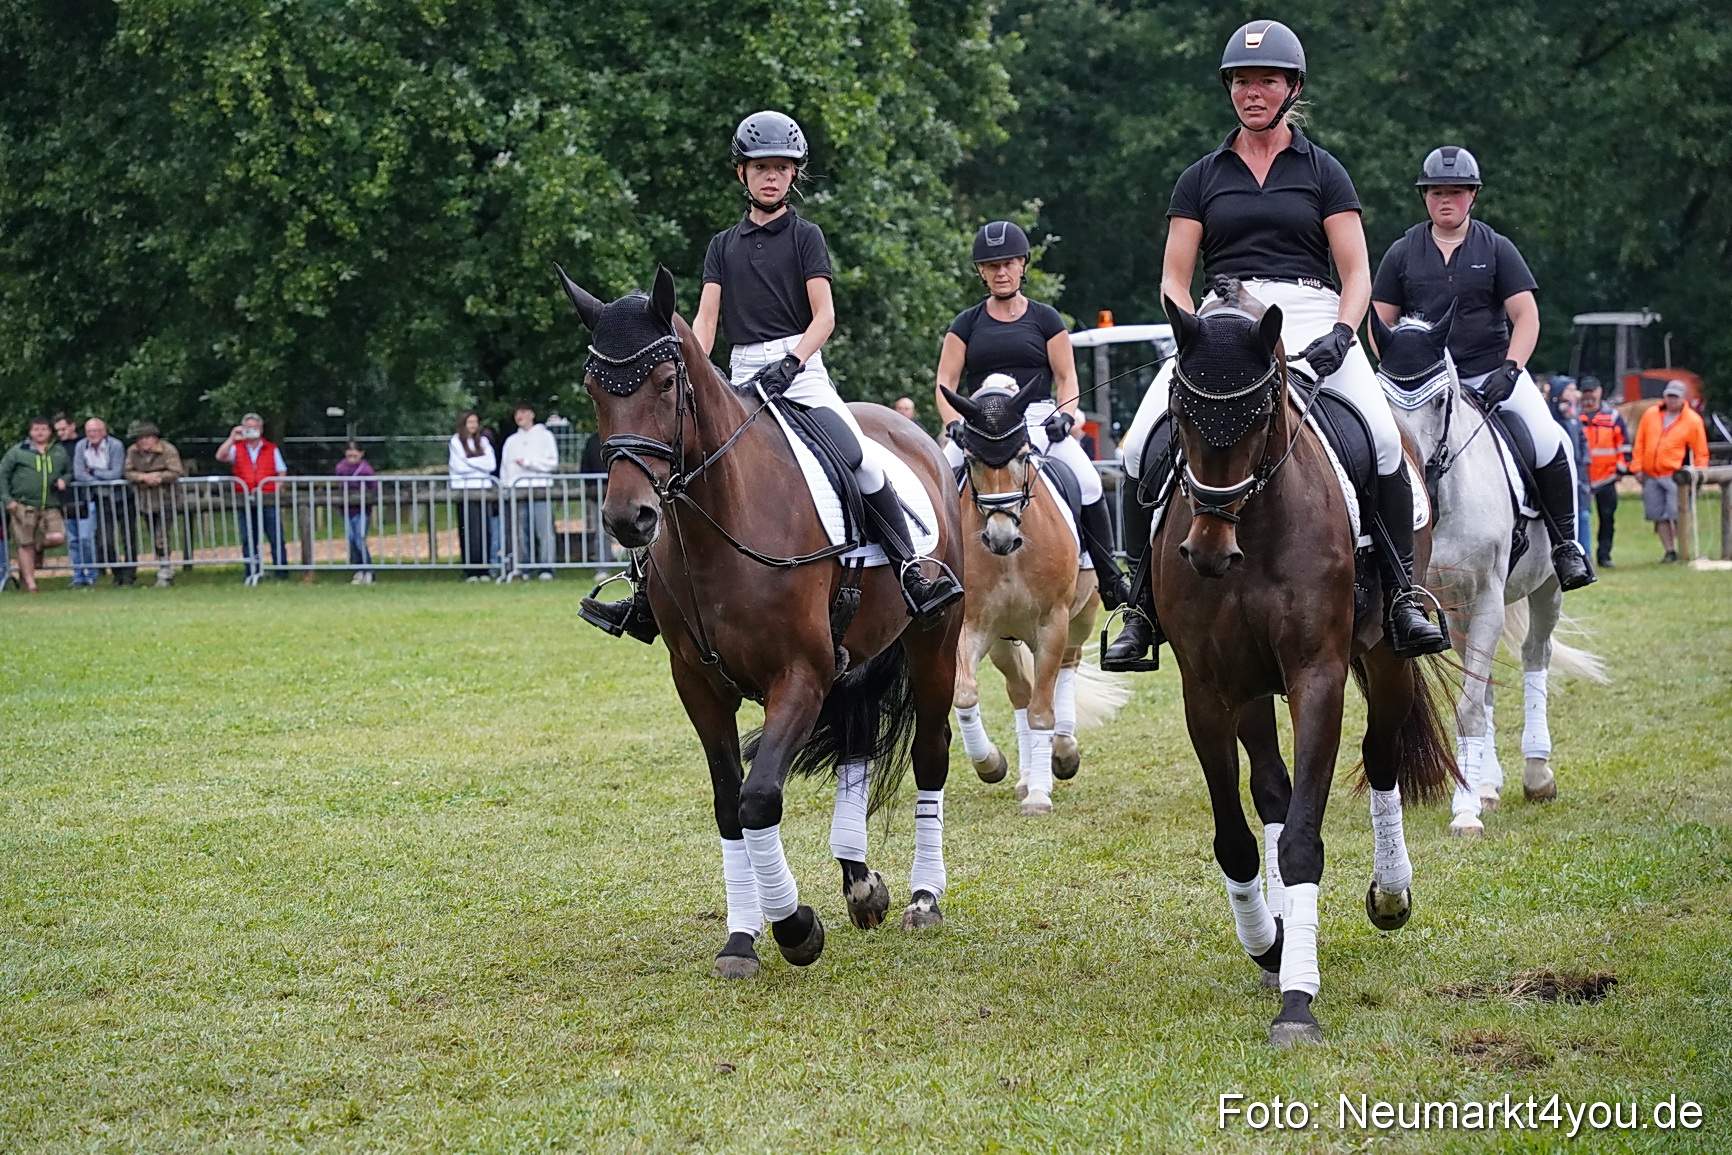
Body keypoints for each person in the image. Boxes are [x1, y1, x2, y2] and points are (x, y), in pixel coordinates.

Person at [1108, 20, 1447, 670]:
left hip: (1312, 312)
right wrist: (1194, 331)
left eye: (1265, 80)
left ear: (1292, 87)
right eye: (1241, 81)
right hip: (1223, 320)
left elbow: (1356, 274)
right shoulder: (1201, 176)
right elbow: (1174, 278)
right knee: (1135, 448)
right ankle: (1140, 609)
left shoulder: (1324, 172)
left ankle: (1403, 596)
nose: (1252, 92)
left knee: (1380, 441)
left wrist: (1342, 337)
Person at [582, 110, 961, 640]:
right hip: (741, 374)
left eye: (782, 168)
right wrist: (696, 372)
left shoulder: (806, 237)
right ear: (742, 173)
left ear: (793, 175)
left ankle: (910, 572)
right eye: (761, 167)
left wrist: (793, 362)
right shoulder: (722, 245)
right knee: (678, 470)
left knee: (859, 459)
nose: (771, 177)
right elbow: (705, 325)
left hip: (801, 374)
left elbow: (824, 315)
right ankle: (645, 597)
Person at [1371, 145, 1594, 591]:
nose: (1445, 200)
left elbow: (1526, 316)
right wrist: (1398, 369)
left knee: (1551, 441)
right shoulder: (1402, 252)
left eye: (1455, 192)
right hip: (1421, 382)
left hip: (1488, 372)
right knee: (1375, 444)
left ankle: (1566, 545)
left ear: (1473, 195)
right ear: (1424, 197)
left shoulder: (1496, 248)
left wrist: (1511, 369)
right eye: (1436, 193)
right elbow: (1379, 321)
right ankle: (1370, 547)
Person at [935, 220, 1130, 607]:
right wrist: (953, 423)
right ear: (981, 272)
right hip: (981, 424)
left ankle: (1109, 578)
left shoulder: (1045, 319)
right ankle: (929, 575)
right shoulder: (966, 324)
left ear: (1023, 264)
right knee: (937, 479)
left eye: (1008, 263)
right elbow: (945, 382)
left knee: (1089, 482)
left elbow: (1066, 377)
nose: (1000, 272)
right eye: (991, 266)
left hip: (1037, 417)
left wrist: (1066, 416)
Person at [1631, 380, 1710, 563]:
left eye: (1675, 396)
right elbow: (1640, 442)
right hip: (1651, 474)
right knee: (1658, 516)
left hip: (1676, 476)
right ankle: (1669, 551)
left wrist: (1699, 475)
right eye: (1669, 396)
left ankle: (1684, 550)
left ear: (1683, 398)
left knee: (1678, 514)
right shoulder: (1651, 415)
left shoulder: (1692, 420)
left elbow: (1700, 451)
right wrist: (1637, 466)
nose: (1671, 400)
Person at [1, 418, 71, 592]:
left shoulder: (58, 451)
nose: (40, 433)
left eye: (44, 429)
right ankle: (31, 584)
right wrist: (7, 499)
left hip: (50, 504)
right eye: (36, 429)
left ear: (49, 432)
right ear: (30, 432)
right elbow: (3, 474)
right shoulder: (18, 451)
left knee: (58, 537)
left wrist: (65, 480)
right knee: (25, 544)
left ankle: (39, 547)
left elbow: (69, 471)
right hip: (24, 504)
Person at [215, 412, 287, 579]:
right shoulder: (236, 448)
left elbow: (281, 471)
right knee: (249, 538)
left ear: (261, 429)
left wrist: (275, 488)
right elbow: (220, 456)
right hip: (245, 499)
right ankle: (251, 572)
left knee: (276, 537)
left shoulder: (271, 448)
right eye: (248, 428)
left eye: (255, 428)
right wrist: (232, 438)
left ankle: (281, 572)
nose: (252, 431)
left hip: (268, 499)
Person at [122, 421, 185, 587]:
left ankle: (164, 571)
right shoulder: (132, 452)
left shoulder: (168, 450)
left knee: (161, 535)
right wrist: (143, 478)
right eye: (139, 438)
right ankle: (165, 566)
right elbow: (128, 471)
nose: (143, 441)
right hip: (145, 502)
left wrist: (158, 477)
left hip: (167, 499)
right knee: (153, 534)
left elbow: (176, 471)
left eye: (146, 437)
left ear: (155, 438)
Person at [1577, 377, 1631, 567]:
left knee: (1607, 519)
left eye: (1592, 392)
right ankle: (1582, 555)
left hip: (1607, 477)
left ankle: (1604, 555)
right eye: (1585, 392)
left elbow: (1624, 446)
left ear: (1600, 392)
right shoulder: (1574, 417)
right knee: (1580, 518)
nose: (1589, 396)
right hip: (1581, 478)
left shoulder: (1613, 417)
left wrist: (1620, 470)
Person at [500, 403, 558, 580]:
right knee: (519, 531)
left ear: (532, 414)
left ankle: (546, 567)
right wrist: (506, 487)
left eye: (523, 412)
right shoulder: (511, 441)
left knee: (544, 530)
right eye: (517, 413)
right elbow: (505, 467)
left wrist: (529, 463)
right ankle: (523, 567)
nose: (519, 416)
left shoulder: (545, 436)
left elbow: (552, 463)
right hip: (517, 490)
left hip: (540, 488)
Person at [72, 418, 128, 588]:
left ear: (104, 431)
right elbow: (79, 473)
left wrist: (93, 471)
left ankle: (128, 575)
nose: (92, 434)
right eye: (89, 431)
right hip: (96, 498)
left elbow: (116, 473)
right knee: (104, 541)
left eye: (96, 430)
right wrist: (97, 478)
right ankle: (116, 572)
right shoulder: (81, 446)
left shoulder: (116, 445)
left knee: (128, 538)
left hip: (119, 497)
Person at [448, 411, 498, 581]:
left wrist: (469, 461)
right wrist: (478, 463)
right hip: (465, 491)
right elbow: (458, 466)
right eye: (470, 422)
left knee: (484, 530)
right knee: (469, 531)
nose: (473, 425)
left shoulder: (483, 441)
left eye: (475, 422)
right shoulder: (456, 441)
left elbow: (490, 464)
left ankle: (484, 569)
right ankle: (471, 569)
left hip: (483, 489)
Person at [333, 442, 377, 584]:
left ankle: (368, 571)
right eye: (349, 454)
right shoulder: (341, 468)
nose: (351, 458)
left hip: (362, 510)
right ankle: (359, 569)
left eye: (355, 455)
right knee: (352, 540)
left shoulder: (366, 470)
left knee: (360, 539)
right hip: (347, 510)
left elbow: (373, 488)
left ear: (361, 454)